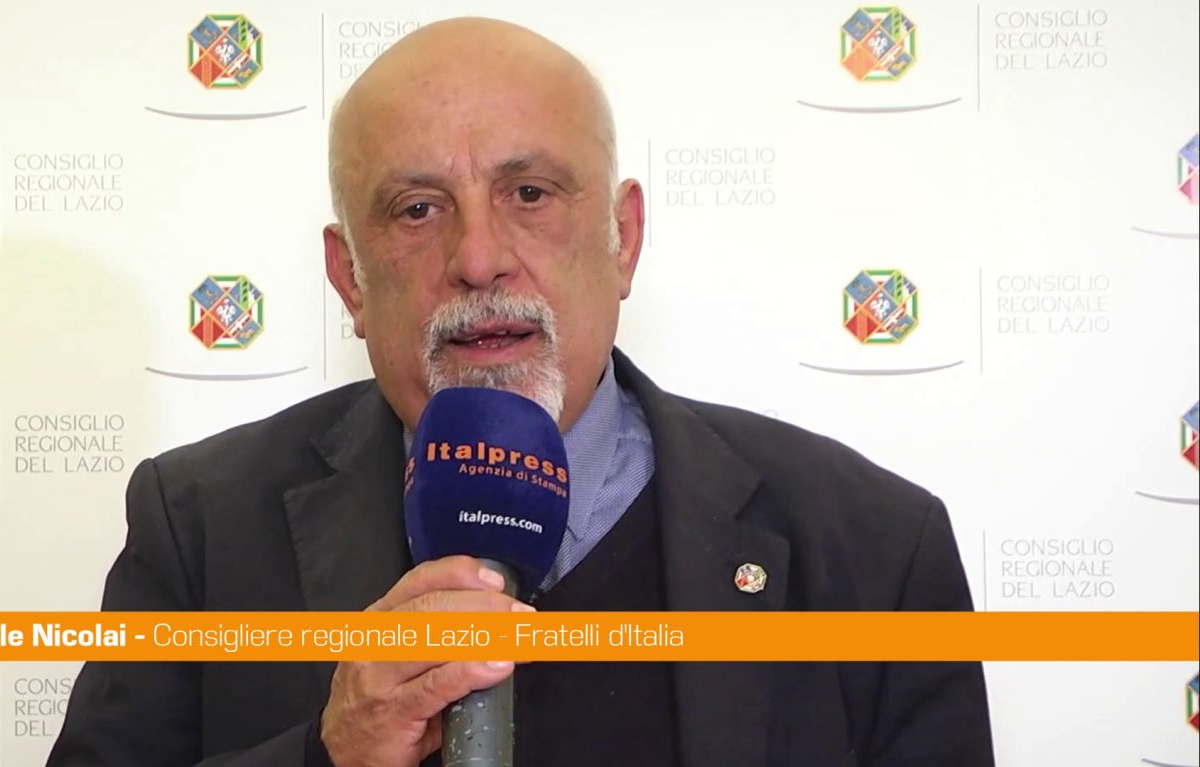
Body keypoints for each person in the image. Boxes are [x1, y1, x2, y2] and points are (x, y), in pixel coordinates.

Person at [48, 17, 994, 767]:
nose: (478, 257)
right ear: (349, 279)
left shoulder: (874, 548)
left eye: (530, 193)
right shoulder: (201, 526)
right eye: (417, 209)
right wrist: (325, 755)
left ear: (624, 239)